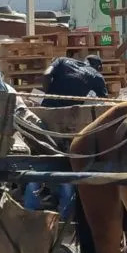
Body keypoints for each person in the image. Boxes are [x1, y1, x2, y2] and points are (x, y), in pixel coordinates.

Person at [22, 56, 108, 220]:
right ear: (99, 67)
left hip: (45, 122)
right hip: (69, 129)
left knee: (38, 169)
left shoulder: (62, 60)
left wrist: (51, 94)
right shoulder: (96, 76)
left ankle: (29, 212)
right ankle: (64, 218)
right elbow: (104, 104)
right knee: (67, 172)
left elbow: (46, 75)